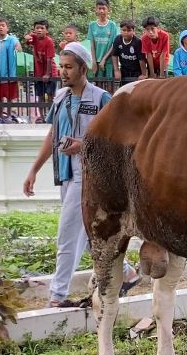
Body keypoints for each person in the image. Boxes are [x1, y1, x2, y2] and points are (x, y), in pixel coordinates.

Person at [22, 42, 139, 307]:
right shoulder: (60, 98)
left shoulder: (101, 99)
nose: (63, 72)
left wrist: (83, 145)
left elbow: (118, 138)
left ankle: (58, 295)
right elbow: (52, 135)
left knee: (67, 235)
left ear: (83, 68)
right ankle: (128, 273)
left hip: (89, 176)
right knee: (88, 235)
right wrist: (33, 170)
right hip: (65, 173)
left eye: (69, 67)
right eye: (61, 67)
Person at [0, 18, 22, 123]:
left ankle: (8, 115)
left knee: (9, 97)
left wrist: (18, 47)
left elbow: (18, 47)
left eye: (3, 25)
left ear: (7, 28)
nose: (1, 27)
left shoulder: (12, 39)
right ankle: (0, 116)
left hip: (10, 73)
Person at [24, 19, 56, 122]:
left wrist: (47, 74)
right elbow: (28, 42)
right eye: (37, 28)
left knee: (50, 95)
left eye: (42, 28)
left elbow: (49, 59)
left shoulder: (49, 41)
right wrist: (27, 37)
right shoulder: (34, 38)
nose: (39, 30)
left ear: (47, 30)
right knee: (40, 95)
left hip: (50, 72)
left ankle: (51, 116)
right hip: (38, 72)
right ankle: (41, 117)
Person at [88, 0, 119, 87]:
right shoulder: (92, 25)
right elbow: (92, 45)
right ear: (96, 10)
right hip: (97, 61)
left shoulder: (112, 25)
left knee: (110, 86)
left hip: (109, 61)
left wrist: (104, 59)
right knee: (98, 86)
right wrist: (94, 61)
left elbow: (113, 45)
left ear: (108, 10)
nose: (101, 11)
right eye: (99, 8)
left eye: (103, 8)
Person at [111, 19, 146, 84]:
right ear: (120, 30)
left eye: (129, 30)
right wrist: (116, 70)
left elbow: (141, 60)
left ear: (133, 31)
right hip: (124, 71)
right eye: (124, 30)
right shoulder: (117, 39)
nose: (126, 32)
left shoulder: (138, 42)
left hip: (137, 72)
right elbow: (114, 55)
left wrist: (143, 74)